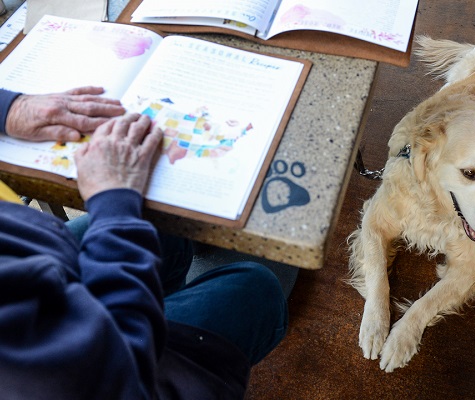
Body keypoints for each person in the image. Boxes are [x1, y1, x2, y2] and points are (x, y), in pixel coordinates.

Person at [0, 87, 288, 399]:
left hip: (30, 266)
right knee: (254, 291)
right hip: (110, 373)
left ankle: (164, 306)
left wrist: (10, 108)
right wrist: (114, 204)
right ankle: (169, 327)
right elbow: (107, 371)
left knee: (157, 226)